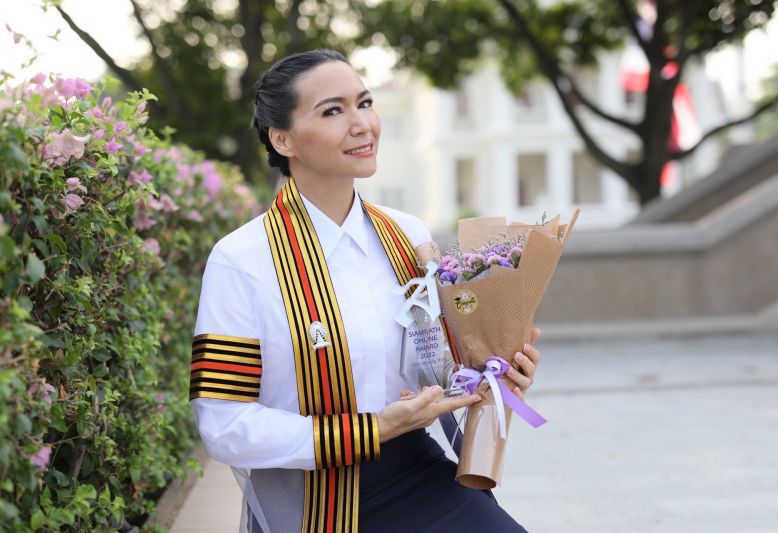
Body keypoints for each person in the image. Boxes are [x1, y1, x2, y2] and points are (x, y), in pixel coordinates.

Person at [190, 49, 543, 533]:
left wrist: (492, 373)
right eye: (332, 111)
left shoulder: (407, 235)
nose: (362, 125)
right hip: (311, 498)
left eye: (365, 103)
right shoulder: (241, 260)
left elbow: (435, 362)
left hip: (416, 470)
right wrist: (373, 429)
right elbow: (223, 425)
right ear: (282, 138)